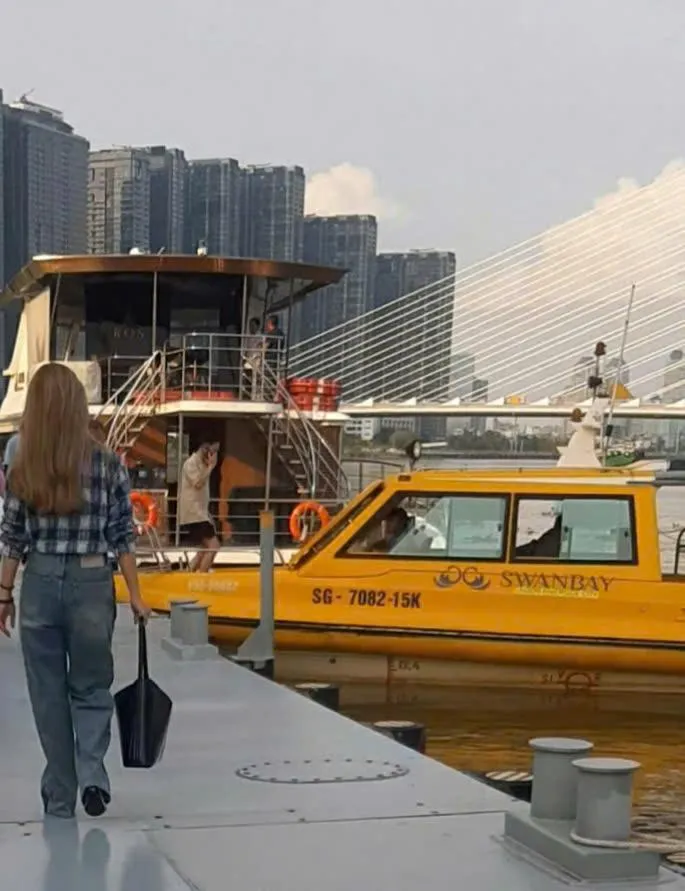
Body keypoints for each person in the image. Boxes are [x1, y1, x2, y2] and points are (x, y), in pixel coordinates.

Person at [0, 363, 150, 820]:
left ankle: (60, 796)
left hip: (40, 581)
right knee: (90, 686)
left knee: (47, 694)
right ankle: (93, 778)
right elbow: (122, 535)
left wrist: (3, 594)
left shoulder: (21, 455)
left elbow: (12, 536)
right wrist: (137, 597)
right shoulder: (107, 462)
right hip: (91, 582)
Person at [178, 442, 221, 572]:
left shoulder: (202, 464)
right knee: (213, 546)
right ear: (204, 451)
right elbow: (197, 483)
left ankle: (187, 574)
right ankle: (201, 578)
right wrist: (211, 467)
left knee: (203, 549)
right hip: (194, 514)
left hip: (200, 513)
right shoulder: (190, 463)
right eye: (210, 453)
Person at [243, 318, 264, 399]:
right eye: (250, 326)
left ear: (257, 326)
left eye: (253, 325)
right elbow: (246, 349)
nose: (251, 327)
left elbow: (262, 348)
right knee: (247, 379)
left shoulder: (260, 337)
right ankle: (247, 395)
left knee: (256, 379)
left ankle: (255, 396)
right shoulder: (248, 337)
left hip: (256, 360)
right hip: (248, 360)